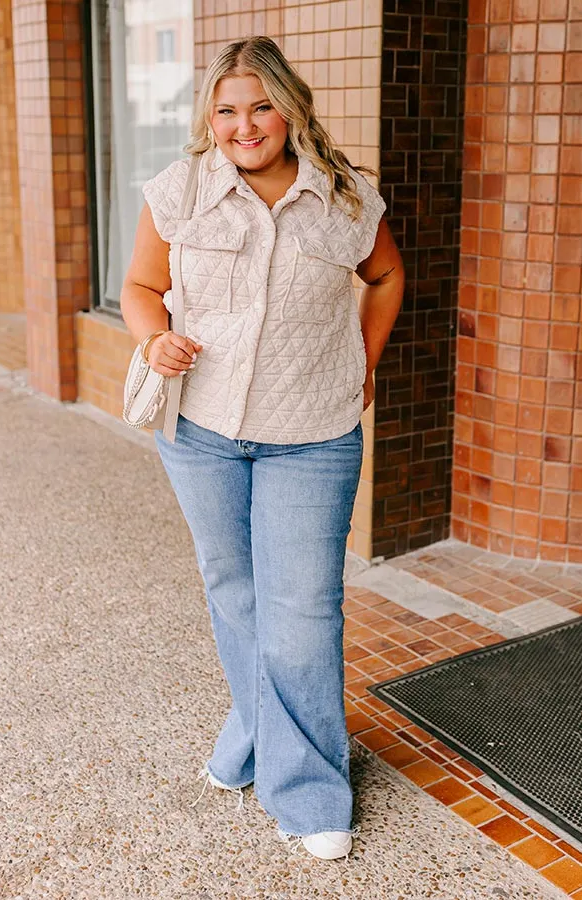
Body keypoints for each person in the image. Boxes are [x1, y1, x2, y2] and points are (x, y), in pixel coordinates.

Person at [120, 35, 404, 861]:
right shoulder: (180, 191)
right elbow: (141, 287)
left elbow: (386, 277)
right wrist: (153, 339)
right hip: (201, 433)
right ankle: (257, 741)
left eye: (261, 106)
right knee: (236, 597)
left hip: (311, 435)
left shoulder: (348, 197)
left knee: (302, 612)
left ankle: (309, 791)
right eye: (227, 110)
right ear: (210, 119)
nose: (245, 125)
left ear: (291, 107)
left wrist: (367, 363)